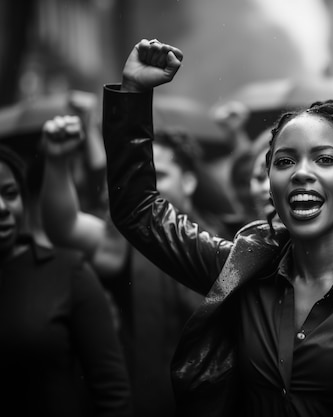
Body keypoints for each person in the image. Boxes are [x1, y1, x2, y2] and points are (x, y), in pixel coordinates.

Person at [101, 38, 333, 417]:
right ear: (270, 183)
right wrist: (133, 93)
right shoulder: (241, 271)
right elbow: (139, 211)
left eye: (325, 159)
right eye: (285, 161)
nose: (302, 173)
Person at [40, 116, 228, 417]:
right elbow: (65, 228)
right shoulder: (127, 239)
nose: (149, 189)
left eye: (160, 175)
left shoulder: (226, 239)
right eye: (144, 178)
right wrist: (57, 160)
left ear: (189, 181)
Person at [0, 145, 132, 417]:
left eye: (10, 193)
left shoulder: (68, 269)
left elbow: (111, 389)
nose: (2, 207)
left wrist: (58, 159)